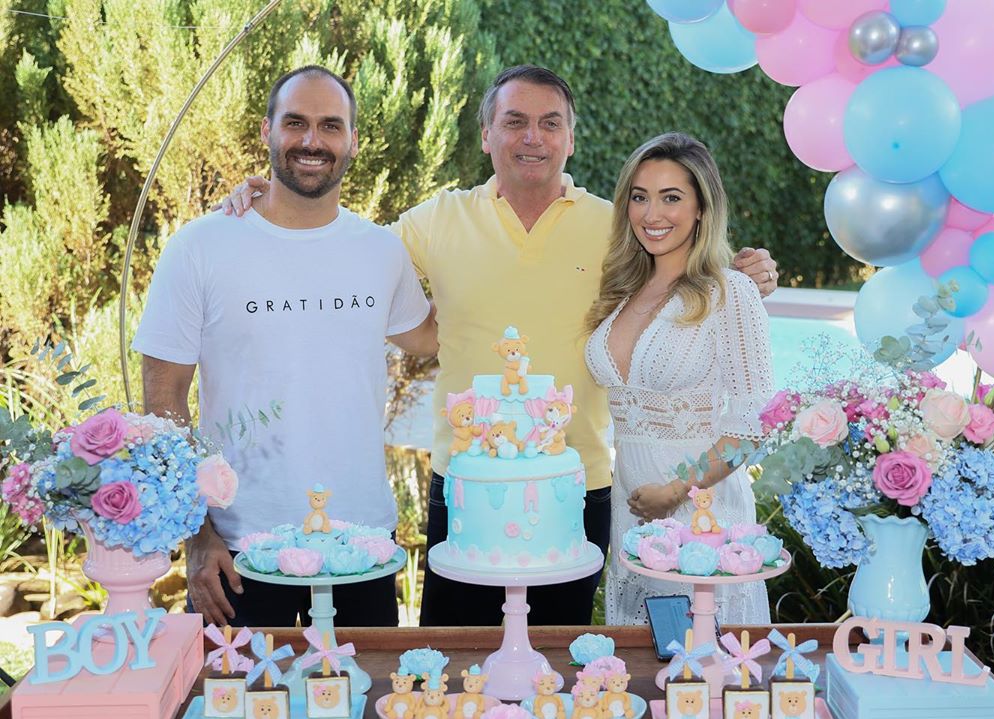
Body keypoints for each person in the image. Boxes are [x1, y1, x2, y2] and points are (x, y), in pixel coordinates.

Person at [220, 65, 779, 626]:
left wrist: (744, 270)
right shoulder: (437, 220)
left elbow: (683, 269)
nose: (532, 137)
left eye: (550, 123)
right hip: (465, 487)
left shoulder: (617, 227)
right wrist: (280, 204)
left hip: (579, 488)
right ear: (486, 135)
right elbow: (346, 256)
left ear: (571, 138)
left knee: (561, 663)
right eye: (514, 122)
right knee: (454, 657)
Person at [133, 65, 438, 628]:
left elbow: (431, 336)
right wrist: (197, 533)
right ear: (267, 131)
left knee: (360, 685)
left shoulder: (380, 251)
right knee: (232, 688)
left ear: (353, 141)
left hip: (361, 544)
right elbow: (163, 400)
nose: (312, 140)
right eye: (295, 123)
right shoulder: (200, 247)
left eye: (330, 126)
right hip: (236, 547)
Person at [584, 132, 773, 625]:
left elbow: (752, 428)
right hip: (633, 515)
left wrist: (674, 491)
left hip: (701, 517)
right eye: (640, 197)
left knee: (710, 660)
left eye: (671, 198)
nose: (652, 214)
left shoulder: (730, 292)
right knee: (644, 658)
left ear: (701, 209)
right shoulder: (623, 291)